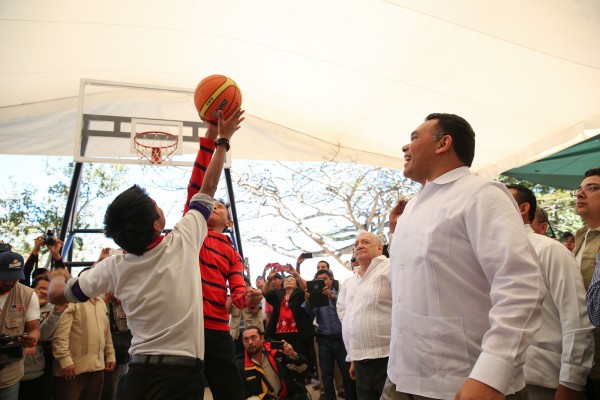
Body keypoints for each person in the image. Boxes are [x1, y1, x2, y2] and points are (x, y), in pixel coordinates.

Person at [48, 108, 244, 400]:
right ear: (157, 223)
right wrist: (222, 139)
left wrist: (56, 274)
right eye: (155, 204)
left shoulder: (114, 266)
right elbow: (209, 186)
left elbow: (57, 295)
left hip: (137, 374)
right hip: (179, 376)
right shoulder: (182, 242)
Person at [383, 113, 544, 400]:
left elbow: (520, 285)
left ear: (443, 143)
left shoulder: (481, 194)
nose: (405, 148)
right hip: (401, 377)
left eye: (414, 138)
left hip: (464, 383)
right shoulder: (412, 208)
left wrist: (492, 374)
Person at [184, 112, 262, 400]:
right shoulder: (192, 231)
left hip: (217, 329)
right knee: (187, 390)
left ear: (229, 222)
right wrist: (212, 136)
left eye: (220, 205)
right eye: (211, 203)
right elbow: (200, 181)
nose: (214, 205)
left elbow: (238, 295)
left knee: (231, 392)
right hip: (187, 326)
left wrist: (251, 298)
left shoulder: (231, 252)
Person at [507, 184, 594, 399]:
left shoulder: (549, 250)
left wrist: (571, 381)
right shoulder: (483, 252)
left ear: (522, 209)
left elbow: (576, 318)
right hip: (493, 378)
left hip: (540, 380)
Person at [338, 231, 391, 400]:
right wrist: (353, 356)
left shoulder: (390, 268)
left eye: (365, 242)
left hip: (387, 358)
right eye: (356, 244)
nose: (359, 245)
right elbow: (347, 316)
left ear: (379, 248)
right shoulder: (349, 282)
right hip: (360, 361)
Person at [52, 268, 116, 400]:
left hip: (98, 368)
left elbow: (106, 332)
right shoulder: (71, 300)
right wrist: (64, 360)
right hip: (72, 369)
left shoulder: (101, 303)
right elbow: (59, 335)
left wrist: (110, 355)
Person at [304, 269, 355, 400]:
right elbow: (309, 317)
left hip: (341, 341)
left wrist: (333, 297)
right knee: (326, 375)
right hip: (324, 341)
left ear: (331, 279)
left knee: (347, 373)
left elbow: (349, 309)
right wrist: (309, 302)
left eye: (325, 278)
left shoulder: (341, 294)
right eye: (319, 280)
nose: (323, 282)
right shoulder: (314, 297)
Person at [572, 167, 600, 398]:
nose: (580, 195)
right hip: (584, 359)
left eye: (592, 189)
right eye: (579, 190)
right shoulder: (581, 235)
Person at [0, 250, 40, 399]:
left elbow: (34, 329)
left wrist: (31, 338)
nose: (10, 282)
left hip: (9, 375)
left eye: (15, 278)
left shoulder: (28, 295)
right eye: (6, 278)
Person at [19, 276, 66, 400]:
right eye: (41, 288)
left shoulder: (54, 309)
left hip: (36, 370)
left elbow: (43, 335)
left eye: (48, 289)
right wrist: (33, 305)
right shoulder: (19, 304)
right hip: (11, 370)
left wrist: (55, 312)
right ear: (31, 289)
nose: (44, 292)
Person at [263, 266, 313, 378]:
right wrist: (269, 279)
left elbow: (307, 288)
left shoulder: (300, 293)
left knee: (298, 360)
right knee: (283, 363)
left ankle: (301, 385)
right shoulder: (277, 293)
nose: (288, 281)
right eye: (286, 280)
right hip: (279, 334)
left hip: (298, 334)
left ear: (296, 284)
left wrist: (296, 274)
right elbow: (265, 293)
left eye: (291, 280)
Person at [237, 326, 308, 400]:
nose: (250, 342)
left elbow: (303, 368)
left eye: (253, 337)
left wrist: (293, 354)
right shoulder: (240, 366)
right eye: (246, 339)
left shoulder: (277, 353)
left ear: (262, 339)